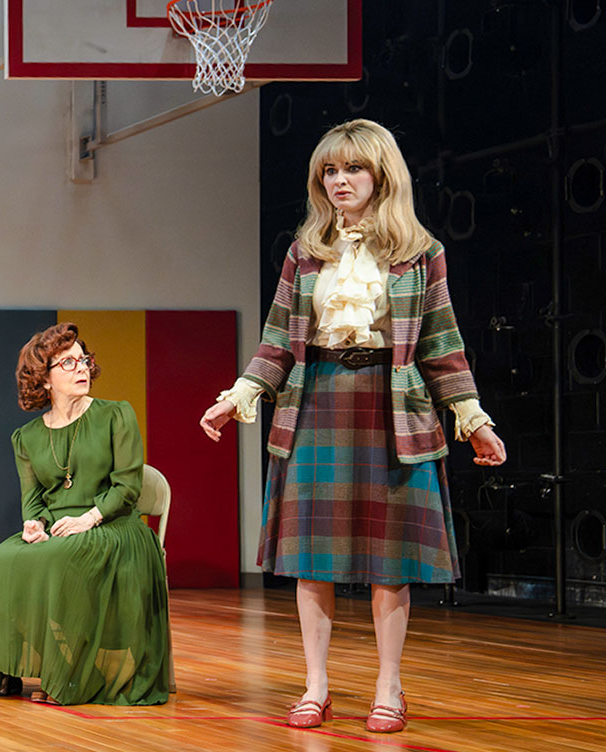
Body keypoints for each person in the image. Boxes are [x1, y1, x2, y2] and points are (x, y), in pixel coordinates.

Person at [199, 118, 507, 733]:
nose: (339, 181)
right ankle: (316, 685)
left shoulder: (422, 255)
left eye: (352, 169)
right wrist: (239, 395)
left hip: (393, 410)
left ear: (381, 175)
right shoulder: (304, 252)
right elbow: (277, 342)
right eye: (330, 172)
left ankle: (388, 687)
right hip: (316, 404)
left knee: (388, 561)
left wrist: (474, 421)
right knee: (313, 557)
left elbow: (442, 347)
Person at [0, 322, 172, 707]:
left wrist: (89, 518)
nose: (82, 368)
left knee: (65, 558)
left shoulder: (116, 415)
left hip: (114, 526)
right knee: (3, 558)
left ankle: (69, 676)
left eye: (84, 360)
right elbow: (33, 498)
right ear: (43, 380)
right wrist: (34, 524)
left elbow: (128, 488)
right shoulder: (27, 437)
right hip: (61, 529)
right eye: (68, 363)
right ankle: (16, 671)